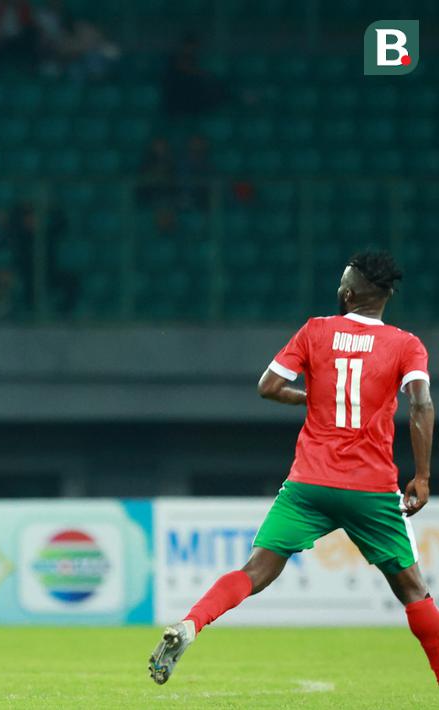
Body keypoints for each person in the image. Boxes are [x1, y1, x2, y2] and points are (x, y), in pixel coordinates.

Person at [149, 251, 439, 685]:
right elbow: (420, 405)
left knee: (255, 571)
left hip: (310, 483)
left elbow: (269, 386)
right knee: (414, 591)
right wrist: (421, 476)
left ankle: (191, 623)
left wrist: (313, 398)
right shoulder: (405, 344)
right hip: (370, 488)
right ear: (384, 299)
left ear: (347, 294)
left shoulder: (316, 330)